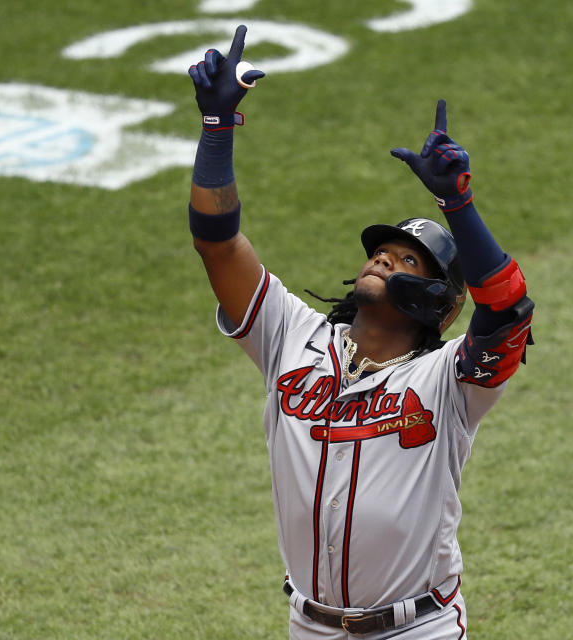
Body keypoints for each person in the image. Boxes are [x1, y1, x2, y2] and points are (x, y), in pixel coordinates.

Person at [187, 25, 534, 639]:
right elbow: (217, 245)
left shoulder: (452, 381)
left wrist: (459, 205)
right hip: (310, 625)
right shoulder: (292, 335)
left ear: (442, 305)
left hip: (415, 629)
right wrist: (217, 132)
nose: (383, 261)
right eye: (382, 252)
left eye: (409, 262)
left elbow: (507, 311)